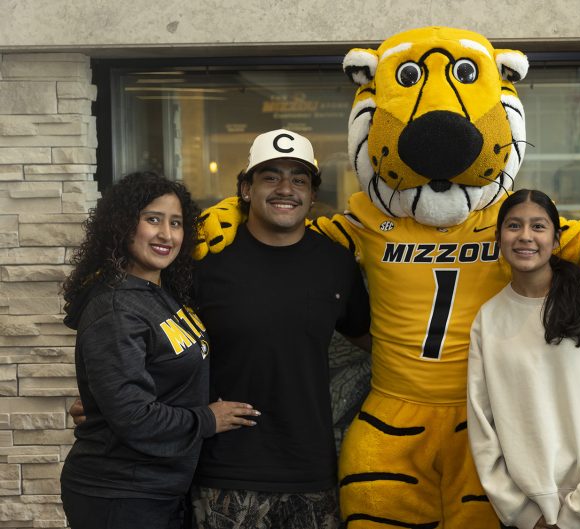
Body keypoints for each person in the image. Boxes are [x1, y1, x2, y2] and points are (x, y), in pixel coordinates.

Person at [190, 129, 371, 529]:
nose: (286, 189)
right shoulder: (207, 262)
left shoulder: (337, 264)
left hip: (310, 470)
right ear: (245, 188)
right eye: (270, 176)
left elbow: (370, 337)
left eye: (299, 179)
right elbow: (162, 344)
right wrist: (112, 399)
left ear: (311, 194)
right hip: (225, 471)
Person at [59, 171, 257, 529]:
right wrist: (208, 419)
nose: (167, 234)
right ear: (123, 225)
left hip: (156, 489)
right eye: (153, 220)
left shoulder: (159, 293)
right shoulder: (116, 307)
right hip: (119, 494)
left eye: (177, 223)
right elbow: (135, 418)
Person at [467, 189, 580, 529]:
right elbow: (482, 429)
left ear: (556, 239)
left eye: (538, 226)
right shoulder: (489, 318)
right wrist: (527, 515)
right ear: (499, 237)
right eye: (514, 226)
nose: (525, 236)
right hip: (529, 516)